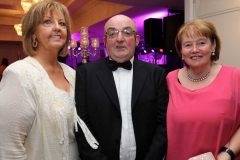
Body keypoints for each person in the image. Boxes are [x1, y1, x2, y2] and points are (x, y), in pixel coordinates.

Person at [0, 1, 98, 159]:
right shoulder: (20, 73)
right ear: (33, 33)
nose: (57, 27)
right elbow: (8, 147)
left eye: (62, 23)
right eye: (47, 22)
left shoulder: (72, 74)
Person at [75, 14, 169, 160]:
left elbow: (163, 124)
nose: (120, 39)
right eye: (112, 33)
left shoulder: (156, 74)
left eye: (127, 32)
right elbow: (82, 125)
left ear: (137, 40)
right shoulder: (85, 74)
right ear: (105, 41)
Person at [166, 19, 240, 160]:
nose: (195, 49)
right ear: (181, 51)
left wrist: (228, 153)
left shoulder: (234, 77)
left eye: (201, 42)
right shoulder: (170, 79)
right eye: (188, 45)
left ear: (213, 45)